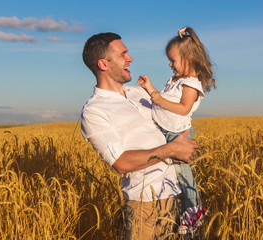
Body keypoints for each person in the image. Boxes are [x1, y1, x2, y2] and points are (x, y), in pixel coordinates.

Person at [80, 32, 199, 240]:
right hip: (146, 205)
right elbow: (120, 163)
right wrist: (172, 150)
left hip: (178, 195)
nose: (130, 58)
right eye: (123, 54)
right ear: (103, 64)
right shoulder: (95, 111)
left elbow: (173, 124)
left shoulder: (141, 93)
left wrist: (185, 146)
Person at [137, 26, 216, 235]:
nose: (170, 64)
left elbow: (183, 109)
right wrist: (150, 88)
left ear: (189, 58)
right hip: (165, 132)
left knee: (183, 173)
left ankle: (194, 209)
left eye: (173, 60)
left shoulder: (191, 83)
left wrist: (157, 98)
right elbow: (160, 103)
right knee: (173, 176)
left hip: (176, 134)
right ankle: (183, 210)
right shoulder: (175, 80)